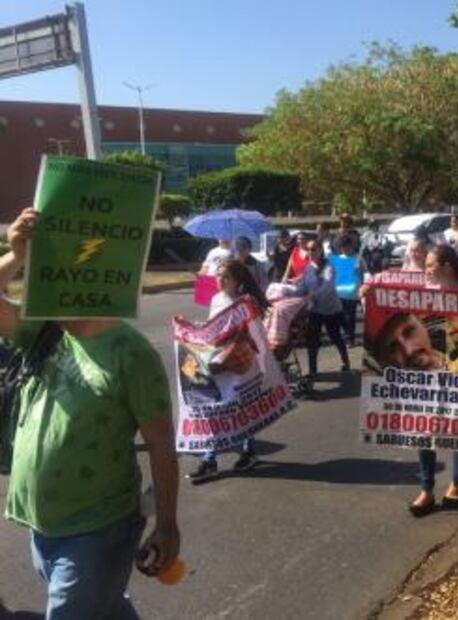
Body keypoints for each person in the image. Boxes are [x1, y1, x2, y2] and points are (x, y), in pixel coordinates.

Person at [0, 208, 180, 617]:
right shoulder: (43, 332)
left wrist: (167, 524)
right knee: (106, 607)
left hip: (98, 528)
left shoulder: (131, 354)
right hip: (42, 526)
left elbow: (161, 444)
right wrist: (17, 254)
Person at [410, 245, 458, 517]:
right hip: (431, 371)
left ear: (447, 267)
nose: (426, 270)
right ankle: (426, 489)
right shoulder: (425, 294)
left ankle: (457, 484)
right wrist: (369, 293)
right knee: (424, 427)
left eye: (431, 265)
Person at [188, 260, 271, 482]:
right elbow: (212, 327)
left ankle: (244, 452)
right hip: (217, 363)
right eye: (218, 275)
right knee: (217, 411)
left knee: (241, 409)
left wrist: (237, 337)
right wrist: (199, 330)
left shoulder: (245, 302)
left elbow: (256, 332)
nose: (220, 280)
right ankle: (212, 460)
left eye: (226, 276)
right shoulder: (216, 299)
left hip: (240, 363)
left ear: (238, 281)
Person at [301, 241, 351, 381]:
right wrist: (288, 292)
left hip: (331, 310)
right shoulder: (308, 269)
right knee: (312, 340)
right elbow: (302, 287)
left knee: (335, 336)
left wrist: (313, 295)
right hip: (315, 310)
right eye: (308, 249)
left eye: (313, 249)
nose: (310, 252)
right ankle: (312, 371)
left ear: (320, 251)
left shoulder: (329, 267)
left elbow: (328, 286)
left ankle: (345, 361)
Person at [332, 236, 366, 346]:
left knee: (350, 316)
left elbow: (365, 273)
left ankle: (349, 339)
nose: (346, 249)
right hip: (338, 292)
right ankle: (344, 336)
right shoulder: (337, 259)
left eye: (348, 246)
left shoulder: (358, 259)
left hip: (353, 293)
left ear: (351, 246)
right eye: (343, 247)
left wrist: (363, 285)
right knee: (340, 316)